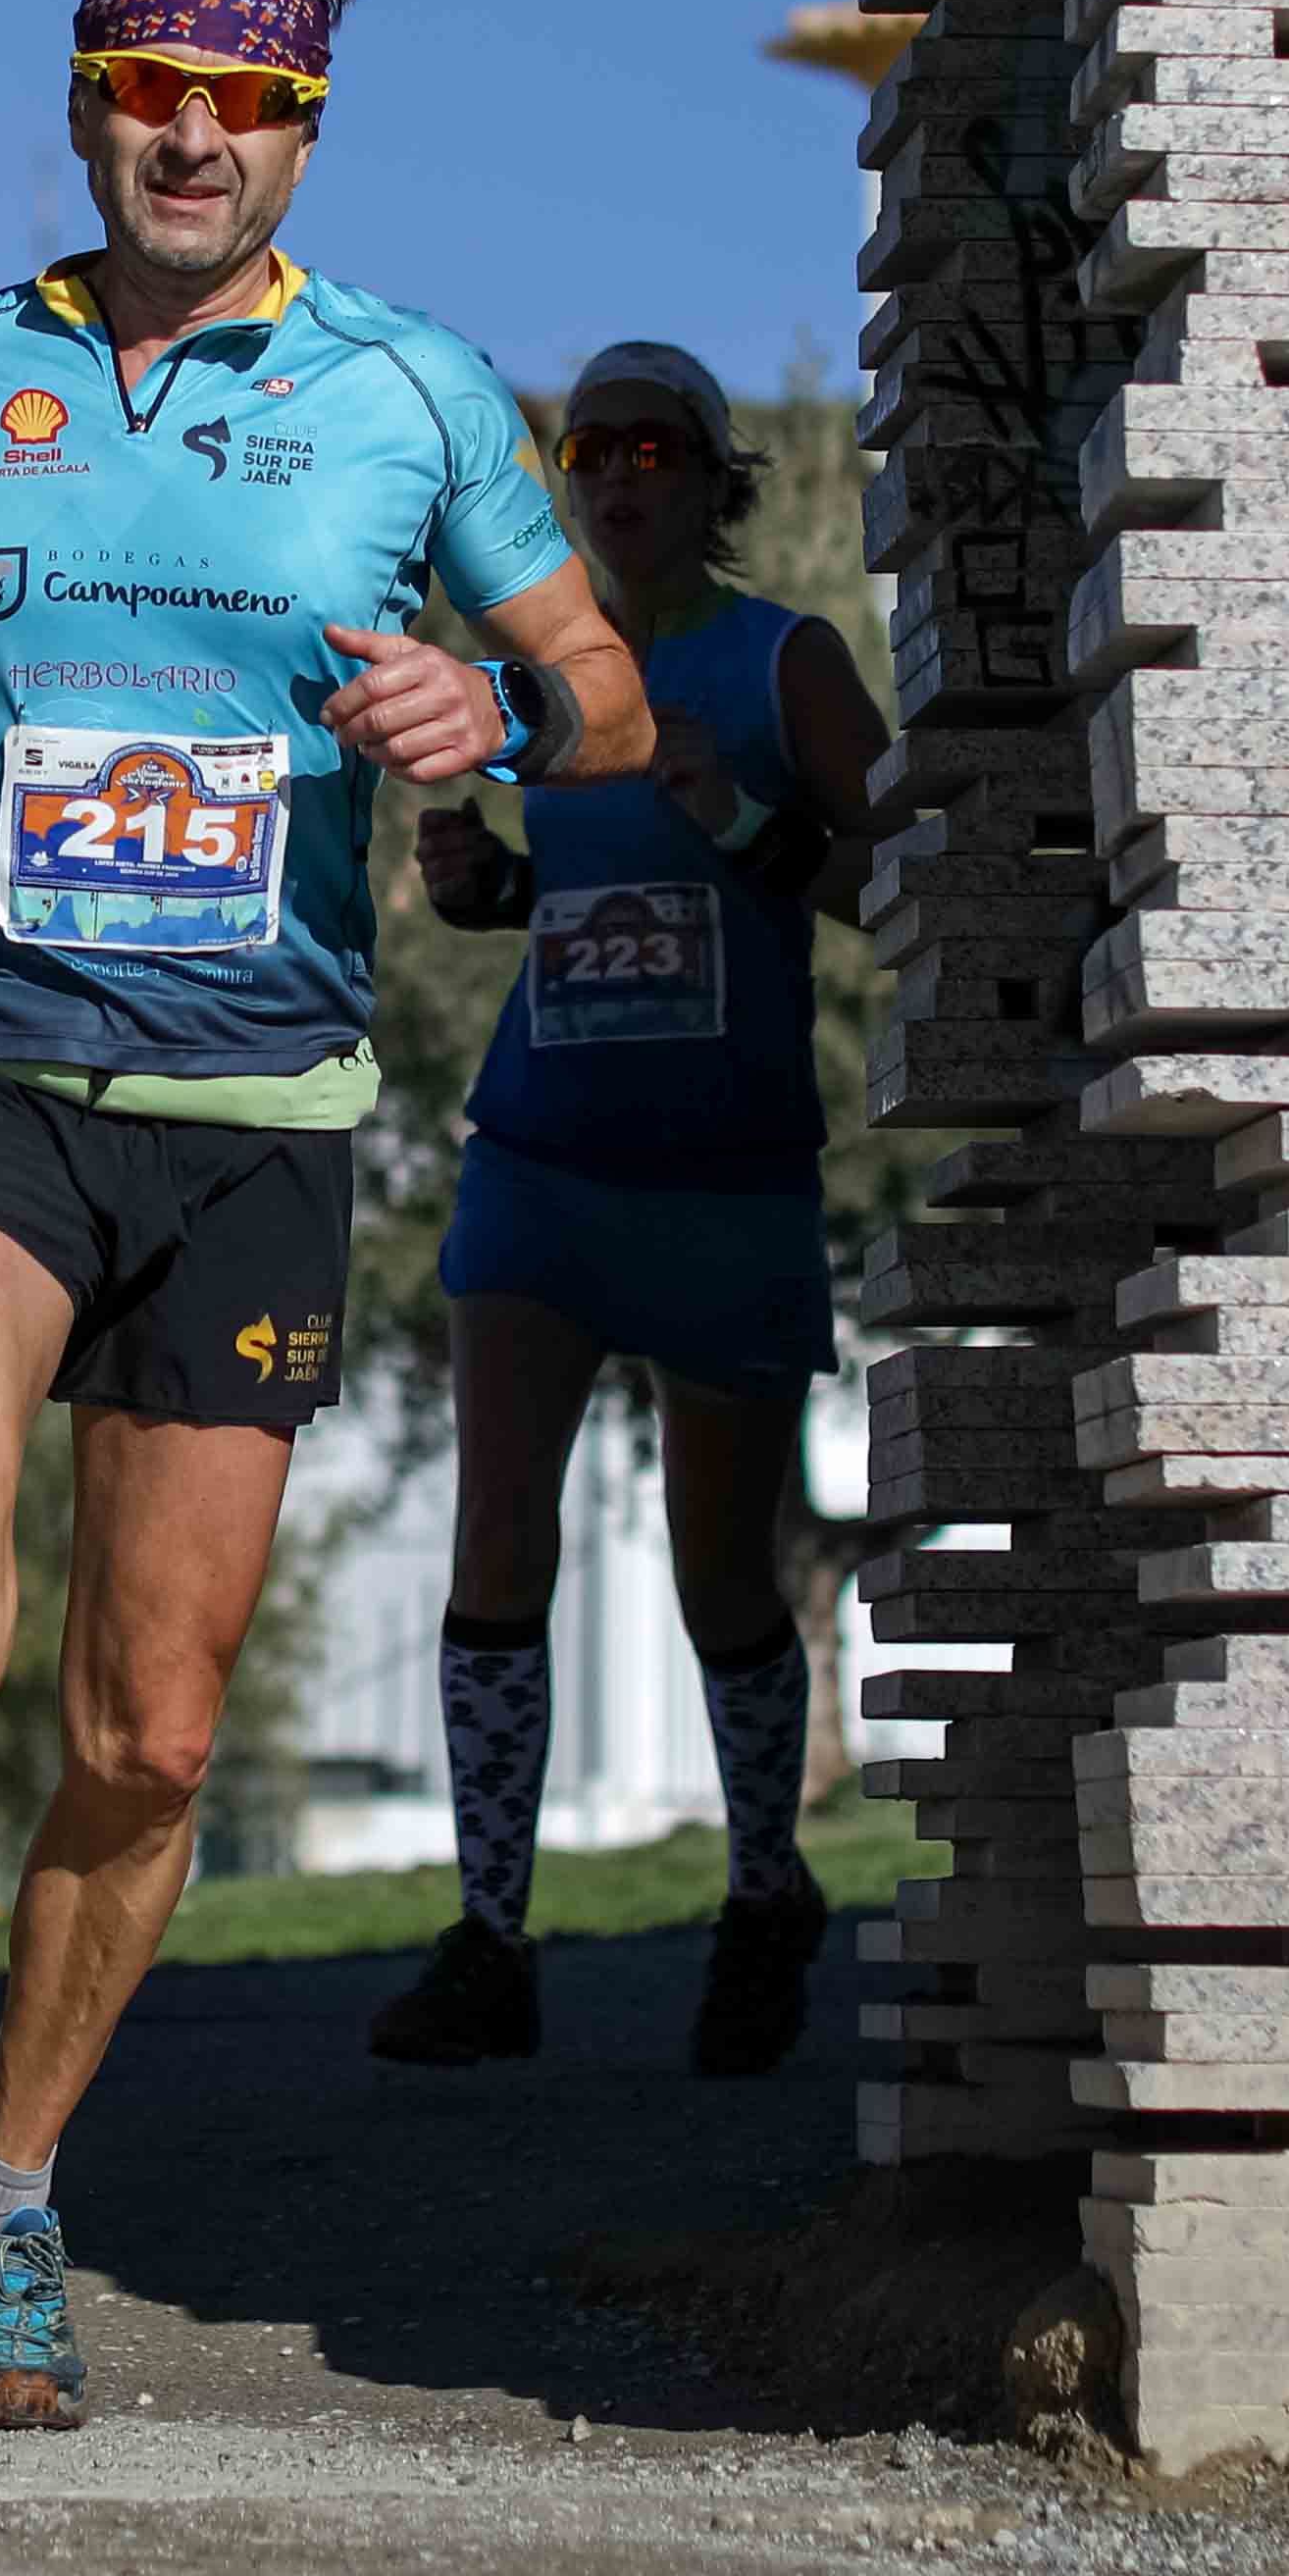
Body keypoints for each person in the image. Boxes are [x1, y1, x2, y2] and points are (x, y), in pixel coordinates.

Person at [0, 0, 650, 2432]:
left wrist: (491, 715)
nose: (192, 134)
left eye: (244, 96)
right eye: (150, 87)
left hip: (255, 1096)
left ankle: (8, 2191)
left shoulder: (412, 390)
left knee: (145, 1722)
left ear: (308, 124)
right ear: (86, 99)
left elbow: (600, 700)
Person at [363, 335, 889, 2081]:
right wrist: (482, 886)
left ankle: (762, 1899)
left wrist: (740, 815)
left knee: (717, 1576)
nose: (620, 472)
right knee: (497, 1533)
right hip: (538, 1159)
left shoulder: (780, 659)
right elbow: (581, 900)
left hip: (725, 1175)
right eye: (591, 446)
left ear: (715, 476)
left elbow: (897, 884)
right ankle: (489, 1940)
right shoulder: (545, 672)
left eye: (657, 444)